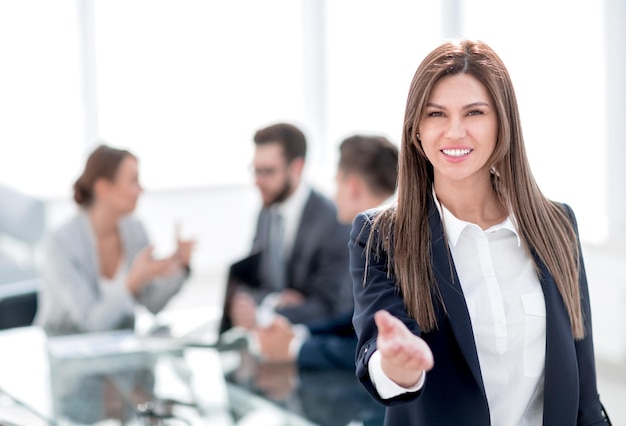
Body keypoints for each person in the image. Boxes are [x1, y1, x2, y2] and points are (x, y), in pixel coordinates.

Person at [349, 39, 612, 425]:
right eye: (436, 114)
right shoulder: (379, 236)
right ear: (416, 129)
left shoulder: (557, 226)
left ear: (502, 123)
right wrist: (396, 366)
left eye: (474, 112)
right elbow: (378, 346)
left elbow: (585, 395)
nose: (454, 131)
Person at [256, 134, 398, 371]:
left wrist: (295, 348)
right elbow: (357, 322)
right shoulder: (373, 237)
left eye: (337, 183)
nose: (334, 196)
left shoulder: (389, 245)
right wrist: (299, 332)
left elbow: (378, 345)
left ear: (352, 187)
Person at [35, 144, 195, 336]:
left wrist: (180, 267)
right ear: (104, 188)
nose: (141, 189)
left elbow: (153, 304)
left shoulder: (135, 230)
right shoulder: (59, 244)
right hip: (69, 351)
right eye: (133, 181)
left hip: (121, 352)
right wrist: (131, 283)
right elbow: (91, 322)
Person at [228, 123, 352, 328]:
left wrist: (263, 316)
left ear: (297, 168)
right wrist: (267, 303)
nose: (257, 181)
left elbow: (331, 306)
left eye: (267, 172)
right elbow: (256, 281)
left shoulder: (333, 220)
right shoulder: (266, 212)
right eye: (255, 170)